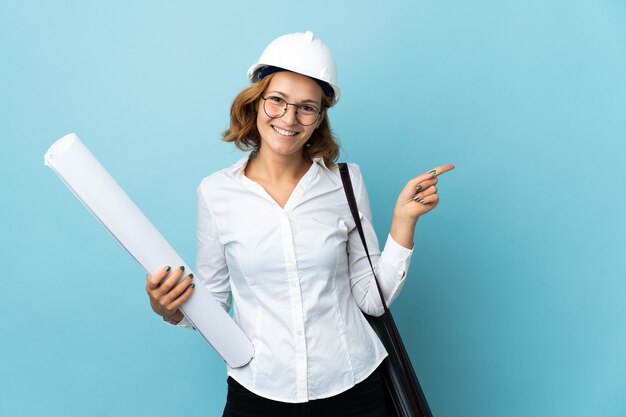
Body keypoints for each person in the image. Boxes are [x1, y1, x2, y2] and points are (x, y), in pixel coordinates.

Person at [144, 31, 454, 417]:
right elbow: (213, 302)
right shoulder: (215, 193)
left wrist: (403, 221)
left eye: (307, 107)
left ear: (320, 117)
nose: (289, 118)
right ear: (256, 101)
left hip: (353, 387)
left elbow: (372, 300)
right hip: (259, 390)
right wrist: (169, 309)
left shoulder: (345, 181)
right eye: (277, 100)